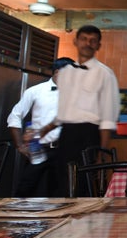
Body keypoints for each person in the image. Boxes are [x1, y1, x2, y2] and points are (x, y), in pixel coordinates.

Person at [40, 24, 120, 197]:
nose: (87, 43)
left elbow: (108, 116)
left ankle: (83, 223)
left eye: (93, 41)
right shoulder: (66, 73)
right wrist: (44, 130)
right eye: (84, 39)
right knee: (62, 185)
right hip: (67, 133)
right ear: (76, 41)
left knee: (84, 186)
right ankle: (63, 222)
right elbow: (64, 111)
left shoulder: (105, 74)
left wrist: (102, 151)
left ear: (98, 45)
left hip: (90, 135)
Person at [7, 57, 75, 197]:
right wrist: (19, 145)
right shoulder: (35, 91)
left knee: (61, 192)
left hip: (65, 150)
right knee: (27, 189)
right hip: (38, 148)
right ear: (57, 72)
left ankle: (57, 219)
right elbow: (15, 116)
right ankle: (20, 217)